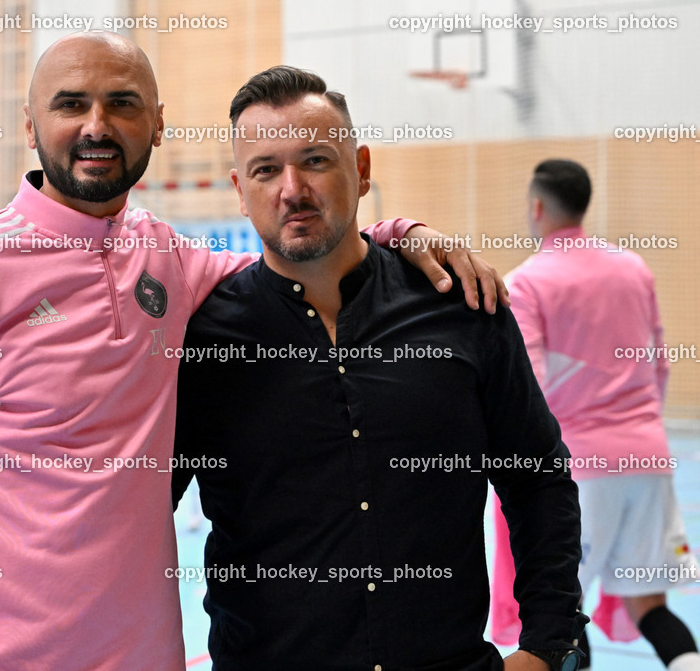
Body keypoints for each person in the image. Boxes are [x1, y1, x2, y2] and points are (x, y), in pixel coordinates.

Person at [0, 33, 507, 669]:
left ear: (159, 125)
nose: (97, 125)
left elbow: (295, 255)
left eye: (123, 103)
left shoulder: (168, 259)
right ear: (30, 125)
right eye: (70, 104)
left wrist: (399, 234)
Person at [171, 66, 587, 671]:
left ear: (361, 170)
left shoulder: (461, 306)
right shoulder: (202, 340)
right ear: (239, 189)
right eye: (266, 169)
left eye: (316, 160)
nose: (292, 188)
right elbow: (141, 513)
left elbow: (537, 477)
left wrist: (551, 645)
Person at [499, 159, 700, 671]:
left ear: (537, 207)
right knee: (649, 606)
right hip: (649, 458)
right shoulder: (635, 268)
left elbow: (533, 389)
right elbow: (658, 365)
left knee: (563, 615)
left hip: (582, 469)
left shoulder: (527, 282)